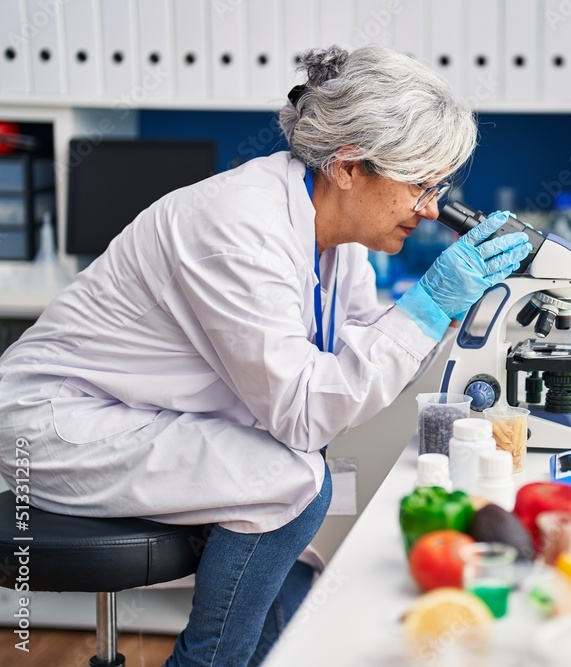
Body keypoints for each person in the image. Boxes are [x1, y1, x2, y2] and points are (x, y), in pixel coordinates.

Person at [0, 45, 531, 666]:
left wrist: (441, 307)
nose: (433, 207)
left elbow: (355, 357)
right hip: (60, 423)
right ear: (349, 166)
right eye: (418, 183)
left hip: (146, 412)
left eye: (438, 186)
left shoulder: (334, 232)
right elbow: (307, 413)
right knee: (292, 477)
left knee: (312, 537)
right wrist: (427, 304)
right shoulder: (237, 228)